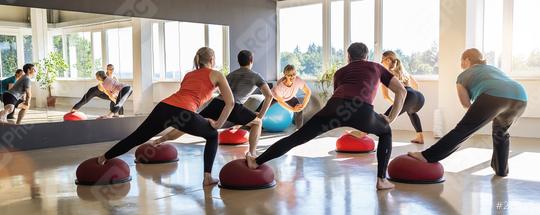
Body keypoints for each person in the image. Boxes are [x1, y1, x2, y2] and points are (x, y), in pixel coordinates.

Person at [246, 43, 407, 190]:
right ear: (366, 56)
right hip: (361, 109)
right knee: (385, 132)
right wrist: (390, 118)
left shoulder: (340, 72)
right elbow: (402, 91)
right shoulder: (376, 67)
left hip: (334, 108)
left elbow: (339, 93)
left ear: (348, 57)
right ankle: (381, 180)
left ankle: (256, 161)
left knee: (297, 137)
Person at [96, 47, 234, 186]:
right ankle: (207, 177)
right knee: (212, 135)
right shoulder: (217, 74)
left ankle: (103, 157)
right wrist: (218, 124)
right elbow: (231, 103)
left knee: (137, 137)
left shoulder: (189, 75)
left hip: (164, 107)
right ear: (212, 60)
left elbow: (188, 94)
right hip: (184, 112)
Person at [408, 48, 527, 177]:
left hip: (493, 95)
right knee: (501, 133)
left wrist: (479, 117)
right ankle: (502, 170)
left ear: (467, 60)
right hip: (520, 97)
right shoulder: (493, 69)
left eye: (461, 60)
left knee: (463, 130)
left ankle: (427, 156)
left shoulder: (463, 76)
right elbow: (504, 89)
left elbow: (466, 104)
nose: (461, 64)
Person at [152, 50, 273, 155]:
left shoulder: (230, 75)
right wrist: (260, 116)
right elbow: (269, 96)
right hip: (233, 106)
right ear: (251, 60)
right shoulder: (255, 76)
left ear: (239, 61)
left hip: (216, 104)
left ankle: (161, 139)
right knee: (257, 123)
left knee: (189, 123)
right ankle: (251, 153)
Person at [380, 51, 425, 144]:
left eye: (382, 60)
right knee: (411, 112)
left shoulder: (386, 74)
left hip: (409, 96)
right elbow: (416, 84)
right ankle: (420, 137)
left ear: (388, 60)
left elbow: (386, 96)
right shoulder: (403, 70)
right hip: (420, 98)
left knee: (385, 118)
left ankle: (361, 134)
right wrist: (410, 99)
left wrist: (398, 104)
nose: (381, 63)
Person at [259, 64, 311, 129]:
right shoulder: (280, 86)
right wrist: (292, 109)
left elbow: (308, 92)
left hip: (290, 96)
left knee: (299, 110)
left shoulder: (298, 80)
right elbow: (281, 102)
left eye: (294, 74)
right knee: (260, 110)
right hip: (275, 97)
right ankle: (256, 127)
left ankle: (299, 130)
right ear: (285, 75)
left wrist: (303, 105)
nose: (292, 77)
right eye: (289, 75)